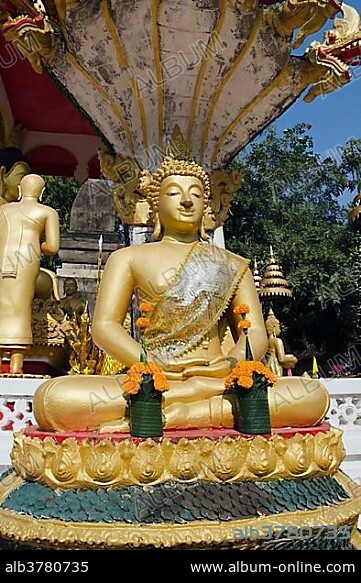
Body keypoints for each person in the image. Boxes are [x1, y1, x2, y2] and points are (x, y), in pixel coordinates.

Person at [33, 157, 329, 431]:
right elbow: (104, 327)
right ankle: (211, 409)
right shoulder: (128, 258)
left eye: (198, 195)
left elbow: (255, 333)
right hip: (156, 377)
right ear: (155, 205)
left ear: (207, 206)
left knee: (312, 395)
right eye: (174, 193)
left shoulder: (231, 264)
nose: (187, 201)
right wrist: (154, 365)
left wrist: (231, 364)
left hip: (219, 377)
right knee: (55, 399)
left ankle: (184, 414)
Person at [0, 174, 60, 373]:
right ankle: (16, 364)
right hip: (27, 258)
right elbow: (52, 246)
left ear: (19, 190)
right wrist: (37, 246)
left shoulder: (4, 210)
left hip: (3, 258)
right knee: (21, 307)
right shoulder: (47, 212)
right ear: (41, 193)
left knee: (3, 305)